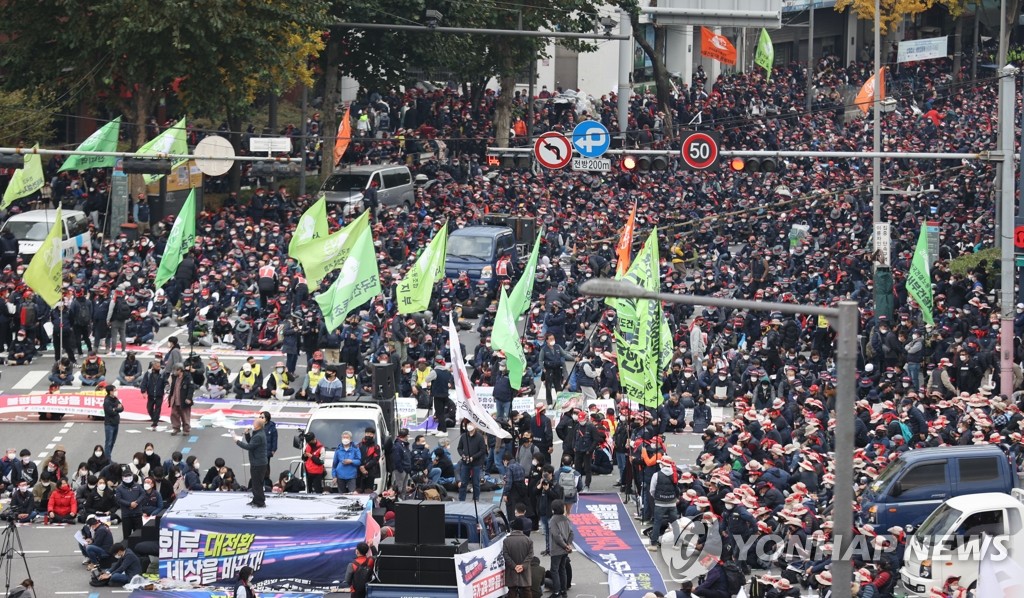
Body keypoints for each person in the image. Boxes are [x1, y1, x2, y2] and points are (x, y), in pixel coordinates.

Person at [233, 416, 268, 508]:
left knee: (257, 483)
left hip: (258, 463)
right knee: (255, 483)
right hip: (257, 462)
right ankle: (256, 499)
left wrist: (237, 442)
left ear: (258, 426)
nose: (253, 423)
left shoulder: (259, 436)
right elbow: (252, 443)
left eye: (254, 422)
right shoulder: (258, 433)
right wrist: (247, 434)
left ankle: (260, 502)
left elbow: (249, 447)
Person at [548, 499, 574, 598]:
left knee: (554, 570)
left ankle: (556, 592)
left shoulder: (553, 520)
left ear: (553, 509)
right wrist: (568, 545)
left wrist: (564, 545)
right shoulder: (565, 519)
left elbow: (556, 536)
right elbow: (571, 532)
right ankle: (563, 591)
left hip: (557, 549)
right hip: (565, 550)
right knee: (562, 569)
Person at [503, 518, 534, 598]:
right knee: (526, 590)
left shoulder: (507, 541)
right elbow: (530, 555)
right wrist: (523, 566)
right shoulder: (528, 540)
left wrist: (514, 566)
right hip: (525, 569)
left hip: (511, 569)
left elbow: (505, 555)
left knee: (512, 590)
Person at [457, 423, 486, 501]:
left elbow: (482, 450)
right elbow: (459, 448)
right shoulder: (463, 436)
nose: (469, 426)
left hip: (476, 464)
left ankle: (476, 499)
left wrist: (473, 457)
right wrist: (462, 455)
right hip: (465, 463)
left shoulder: (480, 437)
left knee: (476, 483)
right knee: (463, 483)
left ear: (475, 426)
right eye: (468, 424)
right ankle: (461, 500)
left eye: (471, 424)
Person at [539, 334, 570, 405]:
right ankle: (549, 403)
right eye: (550, 339)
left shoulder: (558, 347)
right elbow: (540, 360)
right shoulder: (544, 349)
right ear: (547, 340)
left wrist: (574, 358)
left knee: (558, 387)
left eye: (553, 339)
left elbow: (565, 355)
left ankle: (560, 402)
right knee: (548, 388)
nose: (552, 340)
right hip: (548, 370)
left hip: (557, 369)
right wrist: (543, 368)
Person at [115, 468, 144, 540]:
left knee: (139, 535)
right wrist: (129, 504)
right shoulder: (119, 488)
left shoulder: (137, 486)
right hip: (126, 515)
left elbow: (143, 494)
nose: (128, 478)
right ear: (122, 478)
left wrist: (136, 502)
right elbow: (118, 499)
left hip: (137, 514)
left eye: (129, 476)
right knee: (127, 536)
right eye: (126, 476)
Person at [166, 364, 195, 436]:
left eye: (175, 370)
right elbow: (172, 388)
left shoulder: (187, 377)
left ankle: (186, 429)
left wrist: (189, 398)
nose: (174, 372)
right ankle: (176, 428)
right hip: (175, 399)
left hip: (184, 400)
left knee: (185, 415)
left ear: (179, 370)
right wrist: (170, 398)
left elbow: (191, 388)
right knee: (174, 414)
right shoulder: (174, 377)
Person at [140, 360, 166, 431]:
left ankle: (155, 422)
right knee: (149, 408)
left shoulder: (162, 373)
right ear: (153, 366)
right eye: (157, 366)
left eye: (159, 366)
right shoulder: (148, 373)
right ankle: (155, 417)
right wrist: (143, 391)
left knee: (158, 409)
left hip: (159, 395)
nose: (159, 367)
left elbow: (165, 382)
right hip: (151, 395)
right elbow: (144, 382)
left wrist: (166, 388)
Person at [356, 427, 381, 493]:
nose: (369, 435)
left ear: (373, 435)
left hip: (371, 472)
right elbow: (356, 457)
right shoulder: (359, 445)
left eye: (371, 434)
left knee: (369, 492)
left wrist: (365, 467)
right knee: (358, 491)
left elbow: (375, 459)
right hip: (359, 472)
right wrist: (361, 467)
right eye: (367, 433)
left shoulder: (376, 446)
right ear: (365, 434)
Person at [102, 385, 123, 457]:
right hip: (109, 424)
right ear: (110, 391)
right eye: (114, 390)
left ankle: (108, 456)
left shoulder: (115, 399)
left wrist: (115, 409)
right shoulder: (107, 401)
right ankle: (107, 459)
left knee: (112, 442)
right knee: (108, 442)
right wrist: (116, 409)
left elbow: (122, 408)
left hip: (116, 423)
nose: (116, 391)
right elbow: (110, 412)